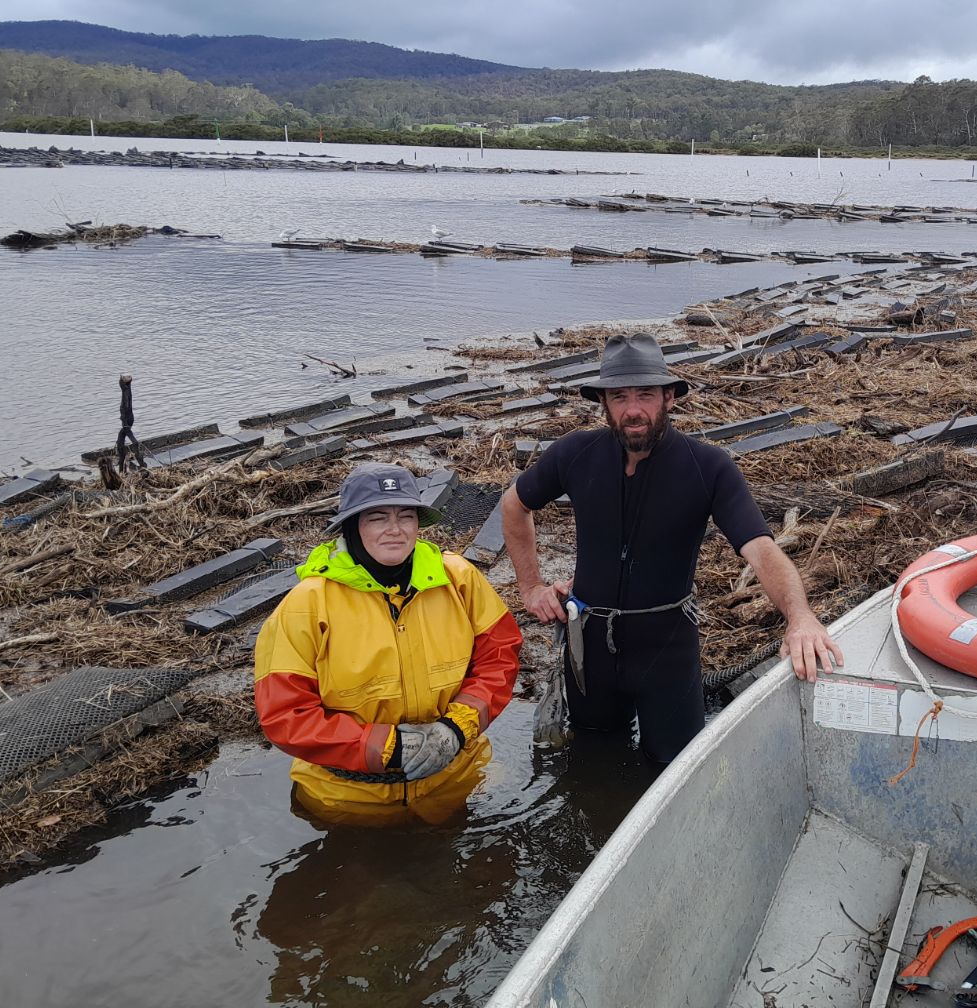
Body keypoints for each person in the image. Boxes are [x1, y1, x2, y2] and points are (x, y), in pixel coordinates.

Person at [501, 332, 842, 764]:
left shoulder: (708, 467)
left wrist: (800, 617)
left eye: (645, 394)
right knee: (591, 764)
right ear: (603, 404)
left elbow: (760, 549)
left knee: (675, 769)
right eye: (619, 397)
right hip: (588, 648)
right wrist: (530, 588)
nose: (633, 410)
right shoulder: (575, 454)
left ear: (669, 398)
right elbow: (514, 505)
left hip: (666, 652)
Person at [254, 462, 522, 825]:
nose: (395, 530)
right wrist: (387, 747)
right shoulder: (306, 604)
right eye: (377, 518)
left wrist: (457, 727)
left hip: (453, 781)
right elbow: (286, 716)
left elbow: (499, 657)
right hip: (347, 802)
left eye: (406, 517)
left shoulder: (458, 578)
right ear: (352, 526)